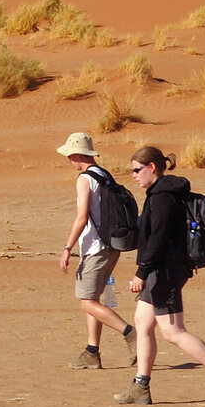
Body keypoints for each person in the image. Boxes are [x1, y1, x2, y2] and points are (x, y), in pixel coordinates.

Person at [114, 145, 205, 407]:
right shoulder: (159, 193)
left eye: (137, 170)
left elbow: (159, 239)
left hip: (165, 272)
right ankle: (141, 386)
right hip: (160, 270)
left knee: (173, 331)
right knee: (142, 322)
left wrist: (142, 271)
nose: (134, 175)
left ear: (152, 168)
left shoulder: (163, 196)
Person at [55, 131, 137, 370]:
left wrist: (67, 248)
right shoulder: (104, 175)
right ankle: (92, 352)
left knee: (86, 301)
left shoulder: (84, 179)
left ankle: (130, 333)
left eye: (69, 155)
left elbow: (81, 218)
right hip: (111, 245)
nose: (68, 159)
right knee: (93, 299)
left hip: (95, 247)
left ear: (77, 154)